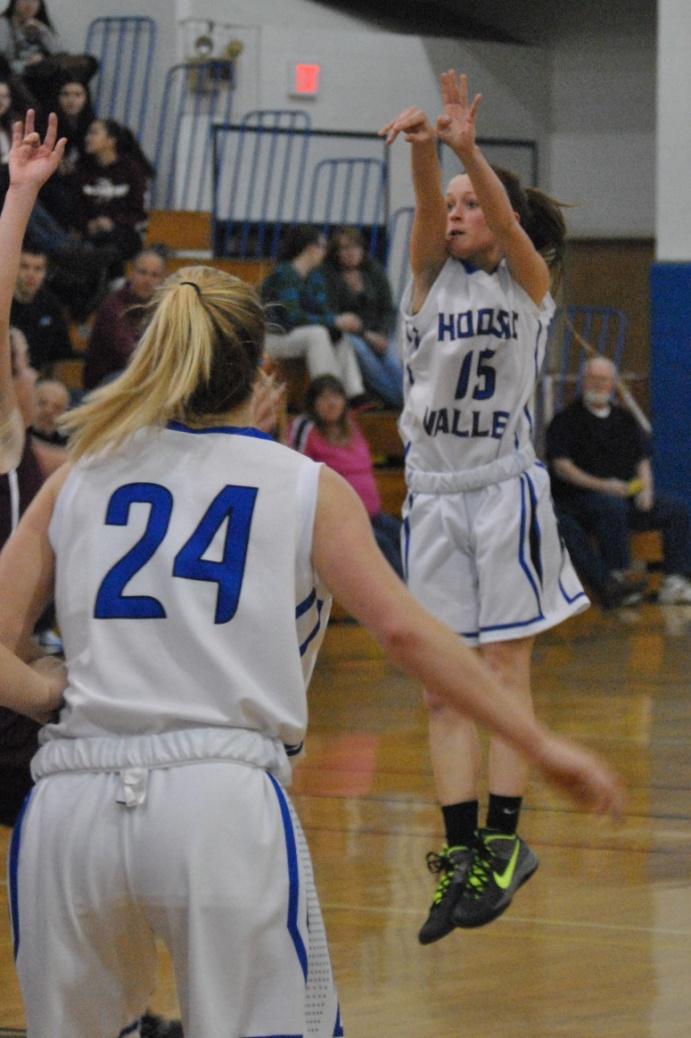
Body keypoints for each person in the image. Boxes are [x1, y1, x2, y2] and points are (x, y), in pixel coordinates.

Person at [0, 112, 625, 1038]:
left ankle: (477, 842)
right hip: (218, 795)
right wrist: (542, 746)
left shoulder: (78, 477)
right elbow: (406, 634)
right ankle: (481, 835)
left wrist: (53, 695)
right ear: (263, 370)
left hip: (68, 803)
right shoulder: (302, 483)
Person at [381, 71, 591, 944]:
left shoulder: (526, 287)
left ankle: (505, 841)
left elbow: (505, 225)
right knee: (443, 690)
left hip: (503, 493)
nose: (458, 213)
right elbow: (428, 216)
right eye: (453, 205)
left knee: (502, 673)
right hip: (433, 500)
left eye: (473, 204)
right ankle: (461, 849)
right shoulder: (427, 281)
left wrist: (469, 151)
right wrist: (426, 155)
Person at [546, 354, 691, 604]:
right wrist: (604, 486)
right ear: (582, 381)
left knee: (677, 510)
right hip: (579, 501)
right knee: (610, 506)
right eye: (593, 378)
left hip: (625, 497)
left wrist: (646, 489)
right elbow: (562, 467)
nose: (599, 384)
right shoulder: (565, 420)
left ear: (613, 383)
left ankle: (675, 581)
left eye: (605, 379)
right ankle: (619, 578)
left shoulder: (625, 419)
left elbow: (642, 460)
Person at [290, 374, 403, 578]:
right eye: (324, 397)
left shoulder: (350, 425)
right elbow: (296, 471)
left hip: (372, 515)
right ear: (313, 403)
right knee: (386, 552)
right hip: (339, 521)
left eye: (336, 396)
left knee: (405, 537)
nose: (331, 403)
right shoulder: (306, 428)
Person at [260, 223, 365, 402]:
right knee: (317, 334)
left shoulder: (314, 276)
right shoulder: (285, 274)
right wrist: (335, 320)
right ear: (310, 248)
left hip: (293, 334)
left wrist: (339, 321)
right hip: (271, 337)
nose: (325, 252)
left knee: (339, 336)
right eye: (322, 246)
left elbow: (323, 311)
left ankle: (354, 395)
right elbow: (292, 317)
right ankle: (326, 394)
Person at [321, 226, 403, 408]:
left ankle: (403, 401)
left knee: (393, 362)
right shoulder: (329, 276)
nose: (350, 252)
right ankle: (401, 403)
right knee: (364, 355)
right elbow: (334, 313)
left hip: (379, 332)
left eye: (355, 247)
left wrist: (383, 334)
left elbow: (388, 309)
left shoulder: (374, 271)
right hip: (349, 334)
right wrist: (367, 335)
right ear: (335, 252)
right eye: (344, 248)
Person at [72, 118, 154, 274]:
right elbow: (76, 206)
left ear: (111, 140)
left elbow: (139, 211)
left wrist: (113, 222)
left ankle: (114, 280)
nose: (88, 138)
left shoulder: (131, 170)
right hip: (91, 233)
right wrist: (87, 224)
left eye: (94, 133)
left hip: (124, 233)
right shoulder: (82, 169)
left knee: (110, 247)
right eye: (88, 133)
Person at [83, 246, 167, 389]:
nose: (148, 280)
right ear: (131, 273)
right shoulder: (113, 307)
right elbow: (129, 353)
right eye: (143, 272)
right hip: (107, 382)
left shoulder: (163, 309)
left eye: (154, 275)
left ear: (162, 280)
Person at [9, 241, 71, 371]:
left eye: (38, 269)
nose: (31, 274)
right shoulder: (4, 303)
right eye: (24, 267)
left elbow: (60, 355)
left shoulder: (51, 305)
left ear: (45, 273)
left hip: (37, 378)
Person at [29, 373, 69, 444]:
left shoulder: (68, 444)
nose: (48, 411)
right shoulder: (16, 437)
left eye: (57, 408)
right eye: (42, 403)